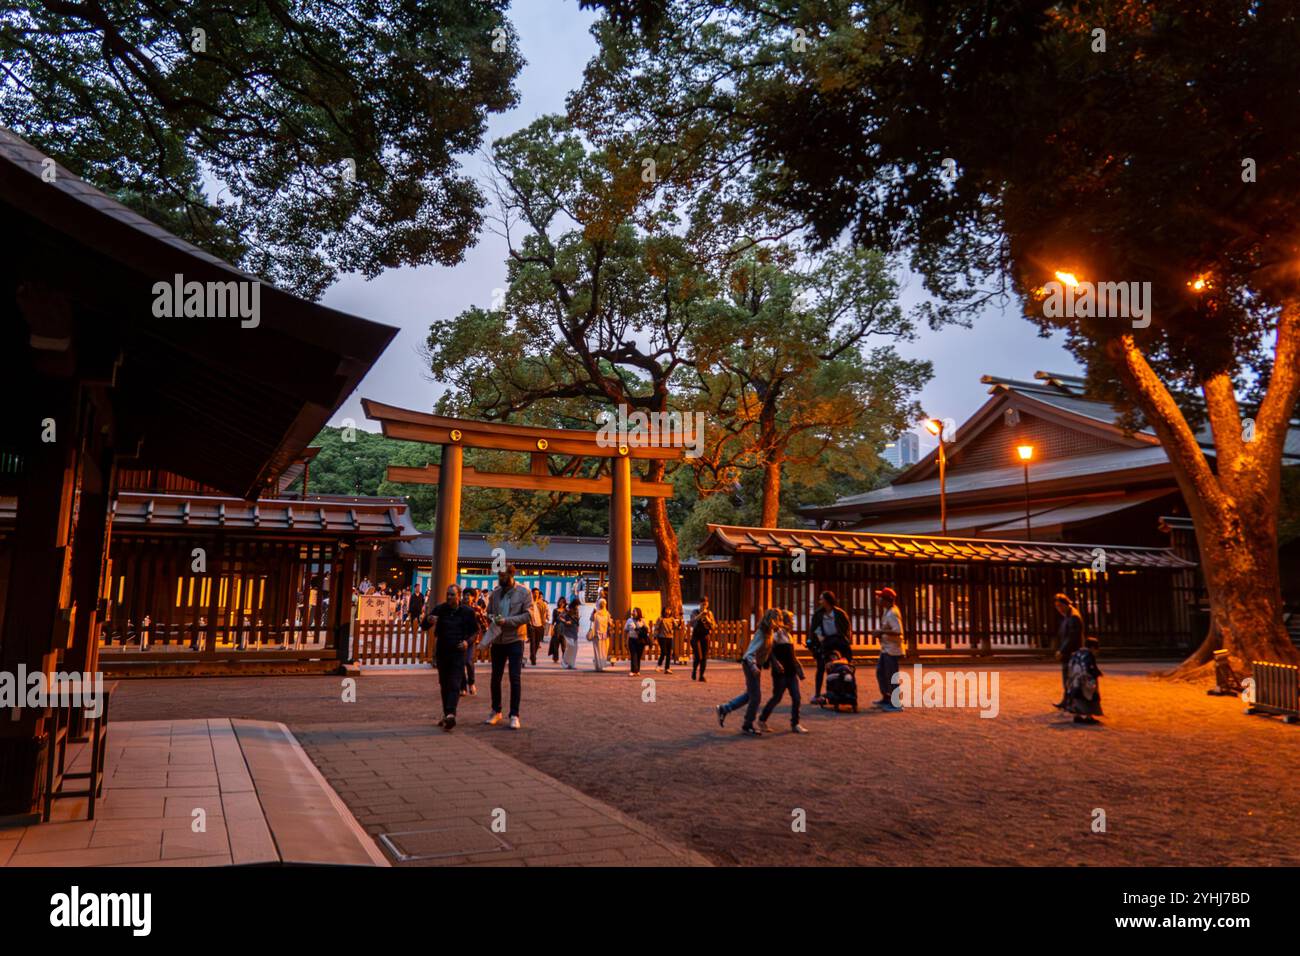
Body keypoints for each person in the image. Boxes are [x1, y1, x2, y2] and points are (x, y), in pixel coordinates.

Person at [421, 584, 478, 732]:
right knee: (444, 684)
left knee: (454, 683)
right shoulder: (440, 609)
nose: (449, 597)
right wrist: (429, 620)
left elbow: (474, 632)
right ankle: (447, 714)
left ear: (459, 596)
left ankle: (451, 713)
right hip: (442, 652)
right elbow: (424, 626)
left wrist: (467, 642)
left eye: (452, 595)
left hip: (458, 652)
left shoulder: (467, 612)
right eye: (448, 594)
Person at [715, 608, 779, 736]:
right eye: (778, 620)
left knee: (750, 695)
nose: (780, 622)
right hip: (750, 665)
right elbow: (750, 654)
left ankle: (725, 708)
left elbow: (768, 650)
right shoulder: (762, 633)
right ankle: (747, 725)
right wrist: (754, 667)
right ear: (771, 620)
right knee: (756, 697)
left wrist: (775, 662)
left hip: (756, 665)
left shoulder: (770, 632)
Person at [483, 565, 531, 729]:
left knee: (514, 677)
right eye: (499, 576)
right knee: (495, 677)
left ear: (512, 574)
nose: (500, 579)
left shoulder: (524, 592)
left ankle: (514, 714)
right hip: (497, 639)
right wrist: (492, 617)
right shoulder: (495, 593)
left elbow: (528, 615)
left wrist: (507, 621)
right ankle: (496, 710)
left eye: (503, 576)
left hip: (515, 638)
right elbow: (488, 611)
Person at [760, 609, 808, 734]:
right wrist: (775, 663)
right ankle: (762, 719)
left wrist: (798, 666)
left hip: (791, 671)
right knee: (777, 697)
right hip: (780, 672)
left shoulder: (788, 635)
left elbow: (791, 655)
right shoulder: (778, 634)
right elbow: (769, 650)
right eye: (791, 620)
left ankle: (795, 723)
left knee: (796, 697)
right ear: (785, 621)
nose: (793, 623)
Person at [808, 590, 853, 704]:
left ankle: (836, 692)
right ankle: (818, 694)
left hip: (838, 644)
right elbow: (813, 629)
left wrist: (846, 641)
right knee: (820, 668)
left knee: (837, 668)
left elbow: (847, 629)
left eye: (821, 599)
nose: (820, 601)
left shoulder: (839, 613)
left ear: (827, 600)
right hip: (824, 644)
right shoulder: (818, 614)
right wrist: (814, 641)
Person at [874, 587, 905, 711]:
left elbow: (898, 631)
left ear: (886, 600)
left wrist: (881, 631)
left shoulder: (892, 613)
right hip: (886, 648)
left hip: (892, 649)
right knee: (881, 672)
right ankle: (887, 697)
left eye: (880, 597)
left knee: (891, 675)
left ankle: (896, 703)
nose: (878, 599)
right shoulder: (888, 611)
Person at [1052, 593, 1084, 709]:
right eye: (1057, 607)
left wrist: (1061, 650)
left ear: (1066, 604)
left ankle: (1070, 701)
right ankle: (1067, 700)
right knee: (1067, 677)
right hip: (1069, 651)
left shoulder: (1073, 616)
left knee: (1070, 677)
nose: (1059, 609)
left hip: (1071, 652)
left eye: (1060, 606)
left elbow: (1071, 637)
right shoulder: (1068, 615)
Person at [1063, 636, 1103, 724]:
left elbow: (1070, 666)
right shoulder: (1089, 655)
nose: (1096, 652)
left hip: (1074, 679)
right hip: (1085, 680)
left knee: (1077, 697)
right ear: (1092, 648)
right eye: (1096, 649)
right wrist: (1096, 674)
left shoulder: (1075, 653)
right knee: (1089, 697)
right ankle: (1089, 717)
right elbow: (1090, 667)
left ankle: (1077, 715)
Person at [462, 587, 487, 696]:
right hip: (460, 638)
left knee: (469, 661)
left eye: (469, 595)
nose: (467, 597)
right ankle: (462, 687)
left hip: (472, 639)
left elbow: (484, 625)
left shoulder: (477, 609)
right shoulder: (459, 608)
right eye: (465, 594)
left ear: (473, 597)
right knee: (460, 663)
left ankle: (471, 682)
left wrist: (487, 638)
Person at [689, 597, 716, 682]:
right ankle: (694, 670)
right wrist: (701, 614)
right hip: (696, 637)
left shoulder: (710, 613)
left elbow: (713, 626)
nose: (704, 605)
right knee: (698, 656)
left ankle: (701, 675)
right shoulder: (694, 611)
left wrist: (707, 619)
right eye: (703, 603)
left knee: (704, 657)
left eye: (706, 603)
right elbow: (692, 621)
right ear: (699, 603)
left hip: (705, 637)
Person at [527, 587, 549, 666]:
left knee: (537, 643)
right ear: (532, 593)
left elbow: (545, 612)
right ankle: (533, 658)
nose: (536, 594)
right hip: (532, 625)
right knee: (532, 642)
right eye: (535, 593)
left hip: (540, 626)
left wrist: (545, 621)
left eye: (537, 593)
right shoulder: (529, 603)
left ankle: (533, 655)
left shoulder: (541, 603)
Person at [625, 607, 650, 677]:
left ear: (638, 612)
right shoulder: (629, 620)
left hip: (640, 640)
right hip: (632, 639)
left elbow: (648, 629)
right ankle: (633, 671)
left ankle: (637, 670)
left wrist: (642, 628)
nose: (633, 612)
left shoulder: (642, 620)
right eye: (633, 611)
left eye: (634, 611)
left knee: (638, 656)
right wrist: (625, 641)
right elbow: (626, 630)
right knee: (633, 655)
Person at [589, 598, 611, 672]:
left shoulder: (607, 613)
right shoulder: (596, 613)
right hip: (596, 634)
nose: (602, 605)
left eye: (603, 603)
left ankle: (602, 664)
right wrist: (593, 613)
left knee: (603, 650)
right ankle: (598, 666)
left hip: (604, 634)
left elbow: (610, 622)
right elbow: (591, 619)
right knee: (597, 650)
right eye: (601, 603)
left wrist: (611, 624)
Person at [655, 607, 678, 674]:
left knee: (669, 653)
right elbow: (656, 628)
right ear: (663, 611)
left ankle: (667, 668)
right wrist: (655, 638)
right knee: (664, 652)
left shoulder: (672, 619)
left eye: (669, 610)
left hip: (669, 637)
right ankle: (659, 665)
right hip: (661, 637)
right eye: (666, 610)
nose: (668, 612)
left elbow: (676, 627)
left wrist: (679, 624)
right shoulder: (660, 619)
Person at [561, 598, 581, 668]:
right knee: (570, 646)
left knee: (575, 648)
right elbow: (560, 617)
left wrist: (578, 626)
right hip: (568, 630)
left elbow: (577, 619)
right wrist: (565, 622)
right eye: (576, 605)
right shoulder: (567, 609)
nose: (577, 607)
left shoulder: (577, 610)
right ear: (574, 604)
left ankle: (572, 663)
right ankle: (564, 662)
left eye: (578, 605)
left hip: (574, 630)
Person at [549, 596, 569, 663]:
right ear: (558, 602)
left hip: (564, 630)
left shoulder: (566, 611)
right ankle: (555, 658)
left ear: (565, 603)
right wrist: (551, 630)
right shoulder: (555, 610)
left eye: (563, 602)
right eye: (560, 602)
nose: (561, 603)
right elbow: (553, 621)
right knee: (556, 644)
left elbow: (569, 621)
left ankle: (565, 658)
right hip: (557, 629)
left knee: (564, 645)